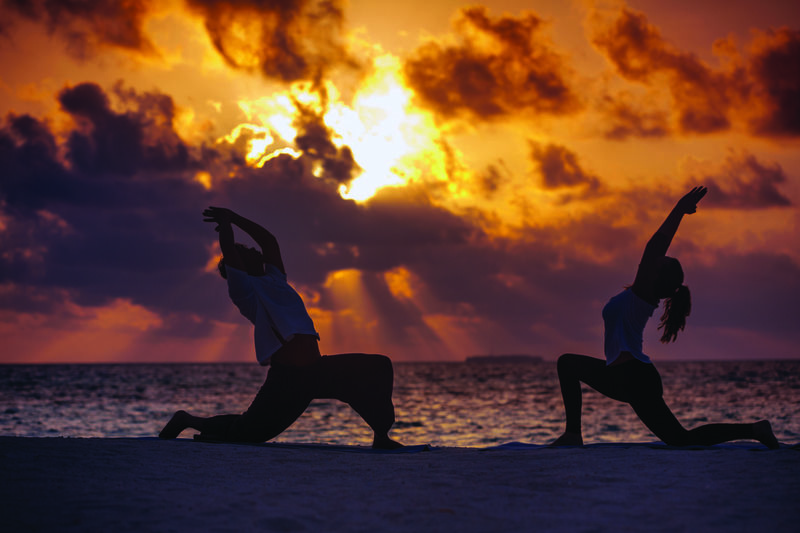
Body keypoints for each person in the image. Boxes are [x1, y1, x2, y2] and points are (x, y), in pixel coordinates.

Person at [551, 186, 779, 449]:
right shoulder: (635, 298)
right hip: (622, 375)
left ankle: (755, 429)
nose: (654, 261)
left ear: (656, 277)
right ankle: (573, 435)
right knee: (567, 363)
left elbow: (654, 245)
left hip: (635, 378)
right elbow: (654, 252)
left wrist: (679, 210)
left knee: (680, 440)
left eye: (660, 263)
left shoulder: (642, 296)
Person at [159, 206, 402, 449]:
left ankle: (381, 436)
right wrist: (225, 226)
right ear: (241, 265)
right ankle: (187, 420)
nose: (256, 251)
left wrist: (235, 218)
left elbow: (268, 241)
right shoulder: (245, 291)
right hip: (289, 379)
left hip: (318, 370)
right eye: (249, 252)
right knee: (250, 433)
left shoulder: (275, 278)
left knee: (378, 366)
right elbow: (230, 251)